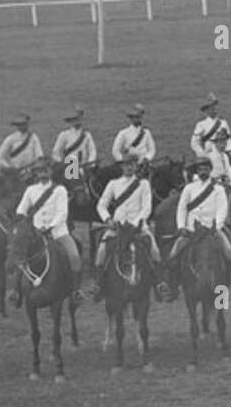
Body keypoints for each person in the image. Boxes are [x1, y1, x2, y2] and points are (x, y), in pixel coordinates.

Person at [94, 154, 162, 301]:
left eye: (132, 164)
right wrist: (108, 219)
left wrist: (136, 222)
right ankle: (99, 285)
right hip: (117, 226)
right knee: (101, 252)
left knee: (155, 251)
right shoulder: (113, 184)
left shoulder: (143, 184)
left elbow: (146, 208)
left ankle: (159, 285)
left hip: (138, 227)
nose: (129, 167)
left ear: (136, 166)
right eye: (126, 164)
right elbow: (101, 205)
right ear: (121, 166)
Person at [15, 156, 84, 299]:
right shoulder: (30, 190)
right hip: (35, 233)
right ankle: (17, 291)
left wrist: (49, 228)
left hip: (58, 232)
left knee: (74, 256)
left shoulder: (60, 190)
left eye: (45, 170)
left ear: (51, 171)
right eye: (39, 171)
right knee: (20, 254)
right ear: (36, 173)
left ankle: (75, 290)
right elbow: (21, 209)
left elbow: (62, 213)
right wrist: (23, 220)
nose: (42, 173)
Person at [170, 155, 231, 271]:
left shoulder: (218, 189)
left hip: (212, 229)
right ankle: (174, 283)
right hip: (192, 229)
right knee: (173, 254)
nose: (203, 172)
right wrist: (181, 226)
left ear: (210, 170)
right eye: (200, 169)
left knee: (230, 254)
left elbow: (222, 209)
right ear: (197, 171)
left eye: (206, 169)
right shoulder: (189, 188)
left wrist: (216, 226)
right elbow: (182, 208)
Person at [51, 106, 97, 174]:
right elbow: (55, 152)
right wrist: (62, 164)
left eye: (78, 118)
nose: (76, 121)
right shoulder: (64, 135)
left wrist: (90, 163)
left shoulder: (87, 135)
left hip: (84, 167)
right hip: (70, 168)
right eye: (74, 119)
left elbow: (92, 150)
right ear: (70, 121)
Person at [189, 94, 230, 159]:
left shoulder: (223, 122)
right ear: (206, 111)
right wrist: (203, 154)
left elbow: (228, 139)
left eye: (214, 108)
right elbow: (194, 143)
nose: (214, 110)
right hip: (210, 154)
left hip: (224, 153)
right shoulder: (201, 124)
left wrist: (229, 151)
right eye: (211, 109)